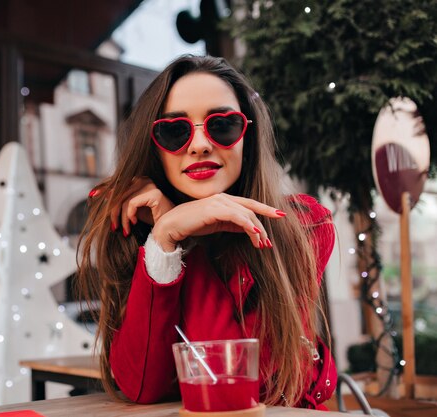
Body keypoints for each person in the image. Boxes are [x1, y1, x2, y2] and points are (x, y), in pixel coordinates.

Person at [76, 55, 336, 410]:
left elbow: (234, 386)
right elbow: (140, 387)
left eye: (222, 125)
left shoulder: (304, 226)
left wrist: (183, 238)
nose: (199, 144)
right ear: (153, 147)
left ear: (248, 136)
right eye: (175, 131)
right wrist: (165, 240)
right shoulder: (138, 227)